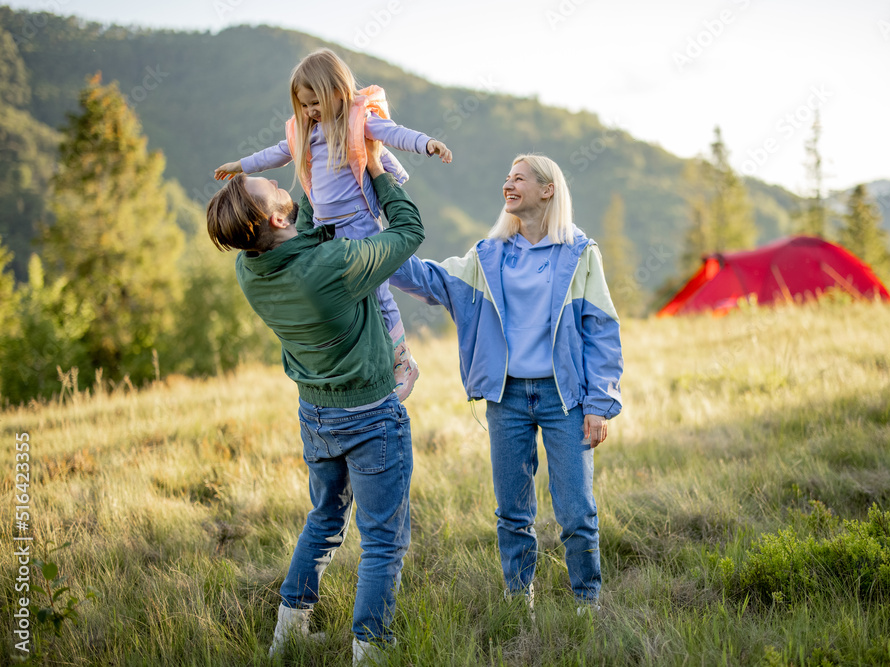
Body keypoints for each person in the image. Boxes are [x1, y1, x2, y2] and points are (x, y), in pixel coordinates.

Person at [206, 137, 423, 664]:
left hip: (316, 414)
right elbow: (408, 232)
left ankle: (290, 631)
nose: (282, 184)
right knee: (383, 540)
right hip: (370, 413)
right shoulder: (333, 266)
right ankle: (371, 648)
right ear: (277, 221)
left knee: (325, 517)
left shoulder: (251, 269)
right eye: (274, 188)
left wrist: (316, 158)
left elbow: (300, 229)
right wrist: (373, 168)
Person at [390, 154, 623, 612]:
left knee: (576, 510)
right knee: (513, 513)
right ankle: (519, 604)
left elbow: (602, 331)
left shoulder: (580, 254)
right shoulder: (486, 255)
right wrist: (375, 243)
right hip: (507, 397)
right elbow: (428, 279)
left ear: (548, 189)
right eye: (506, 177)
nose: (508, 185)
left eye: (519, 178)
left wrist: (600, 402)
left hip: (566, 399)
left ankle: (587, 603)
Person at [214, 47, 452, 401]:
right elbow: (276, 153)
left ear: (339, 92)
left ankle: (403, 358)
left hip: (357, 222)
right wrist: (242, 165)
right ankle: (438, 294)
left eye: (316, 103)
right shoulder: (306, 132)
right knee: (370, 284)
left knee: (379, 290)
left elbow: (395, 133)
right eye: (304, 105)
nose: (310, 111)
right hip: (326, 226)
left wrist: (427, 143)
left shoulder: (359, 121)